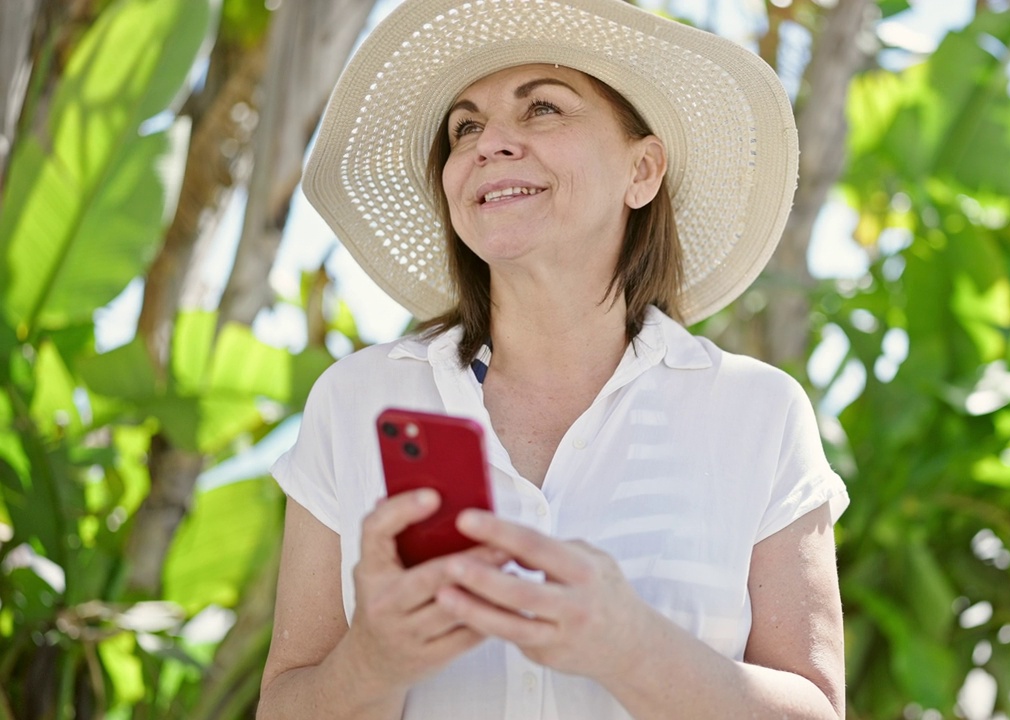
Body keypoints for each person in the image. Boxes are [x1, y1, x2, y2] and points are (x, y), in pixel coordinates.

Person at [258, 0, 850, 717]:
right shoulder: (358, 400)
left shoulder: (758, 412)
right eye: (465, 126)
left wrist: (632, 647)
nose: (489, 142)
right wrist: (374, 660)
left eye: (542, 109)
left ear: (643, 170)